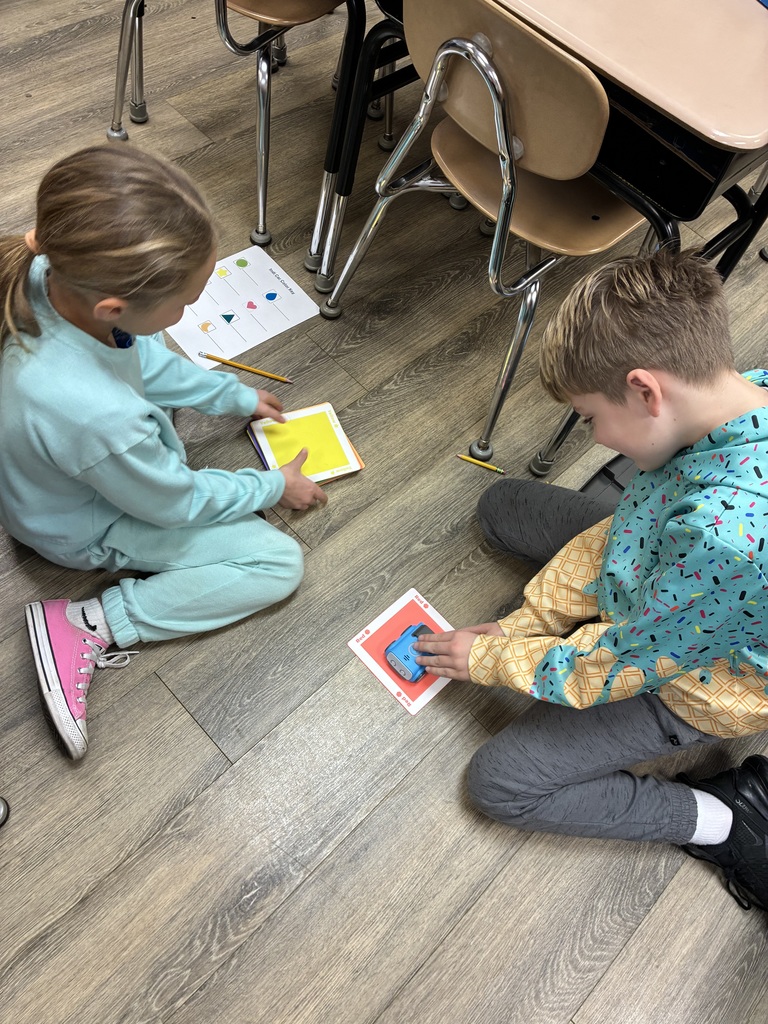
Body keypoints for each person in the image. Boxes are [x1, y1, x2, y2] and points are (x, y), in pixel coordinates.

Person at [414, 248, 768, 912]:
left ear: (644, 390)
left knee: (502, 785)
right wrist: (532, 620)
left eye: (592, 418)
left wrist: (496, 657)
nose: (596, 436)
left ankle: (726, 820)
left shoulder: (729, 537)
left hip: (692, 682)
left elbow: (622, 663)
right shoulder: (739, 394)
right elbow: (632, 521)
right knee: (502, 509)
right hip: (673, 580)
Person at [0, 145, 327, 761]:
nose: (188, 313)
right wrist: (271, 487)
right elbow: (173, 502)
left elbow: (137, 355)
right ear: (114, 307)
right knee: (277, 564)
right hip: (72, 527)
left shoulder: (48, 278)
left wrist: (230, 397)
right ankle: (86, 626)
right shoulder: (100, 416)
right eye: (184, 302)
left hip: (43, 481)